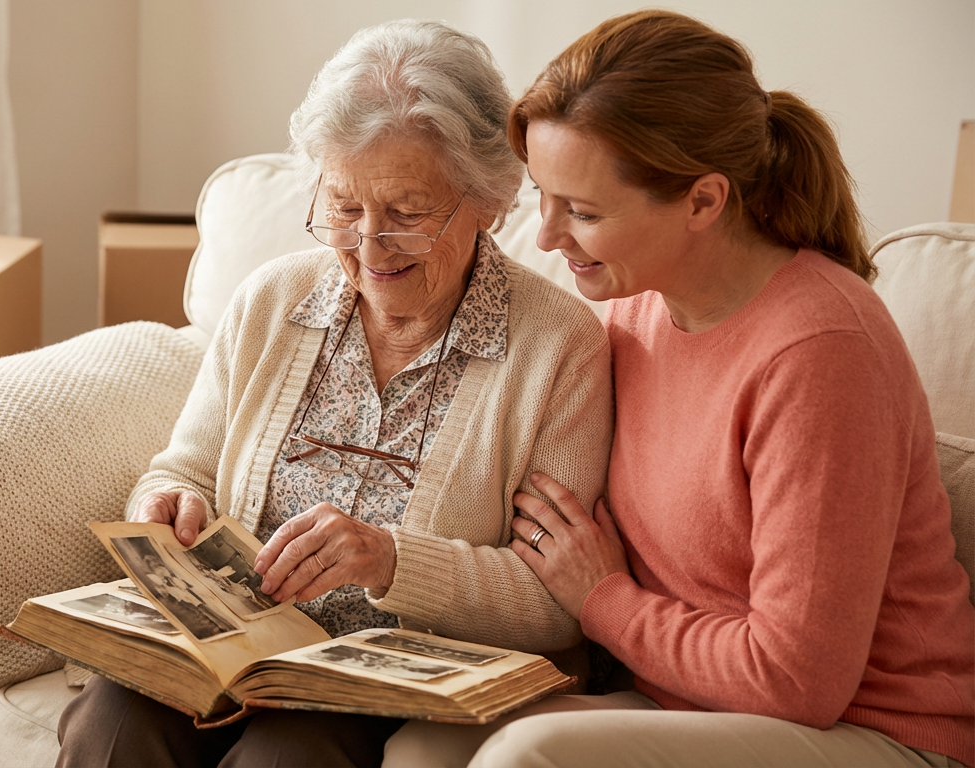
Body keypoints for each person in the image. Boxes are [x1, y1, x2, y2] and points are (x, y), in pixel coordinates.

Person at [384, 10, 975, 768]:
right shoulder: (634, 304)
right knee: (422, 746)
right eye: (544, 196)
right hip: (685, 703)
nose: (547, 237)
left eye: (585, 212)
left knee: (526, 758)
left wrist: (603, 602)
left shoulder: (820, 353)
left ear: (703, 201)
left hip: (872, 731)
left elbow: (797, 681)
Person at [55, 18, 613, 768]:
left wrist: (390, 560)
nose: (370, 246)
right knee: (111, 723)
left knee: (291, 756)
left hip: (391, 681)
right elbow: (183, 467)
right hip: (232, 650)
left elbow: (553, 602)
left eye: (407, 214)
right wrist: (165, 505)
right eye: (345, 208)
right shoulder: (269, 303)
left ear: (489, 199)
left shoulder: (559, 349)